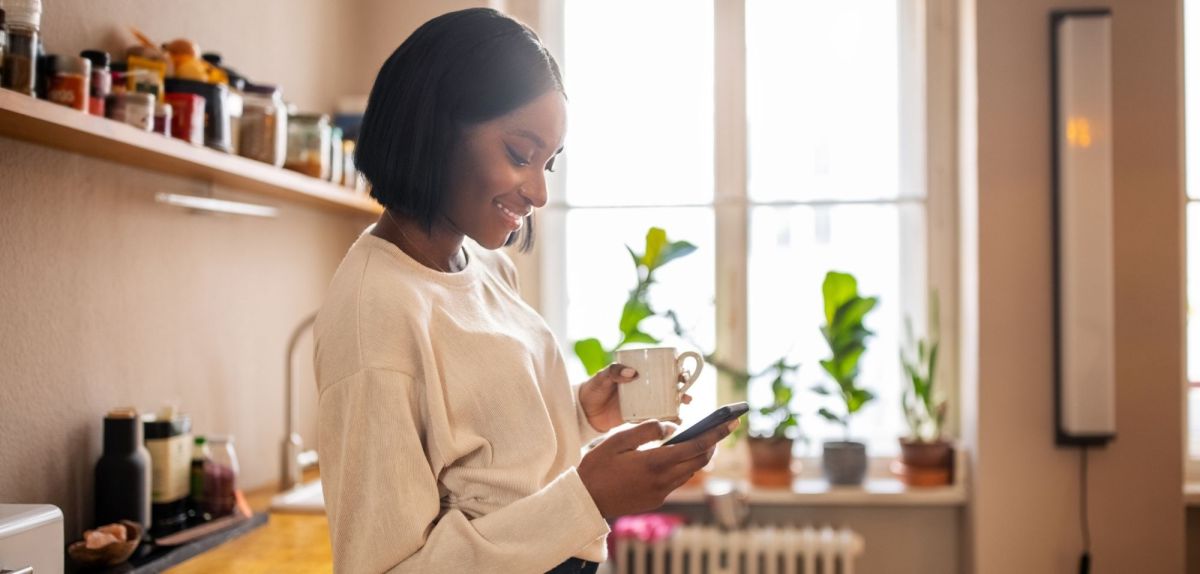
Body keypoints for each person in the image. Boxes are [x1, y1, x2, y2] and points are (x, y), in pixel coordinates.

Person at [314, 8, 736, 574]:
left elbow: (490, 466)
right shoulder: (377, 314)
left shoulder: (486, 266)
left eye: (549, 164)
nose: (538, 191)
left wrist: (581, 412)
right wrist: (590, 498)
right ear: (435, 128)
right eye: (519, 153)